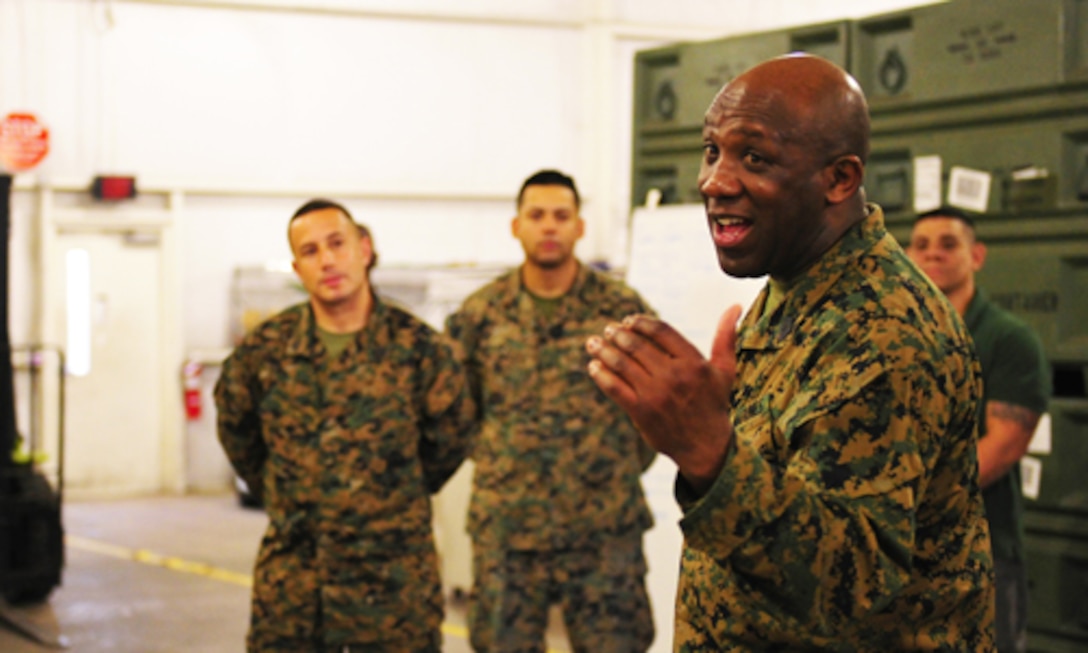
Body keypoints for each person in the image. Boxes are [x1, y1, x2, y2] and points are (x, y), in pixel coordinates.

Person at [585, 54, 996, 650]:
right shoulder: (797, 288)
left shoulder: (881, 330)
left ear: (839, 179)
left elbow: (851, 582)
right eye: (711, 151)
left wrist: (709, 452)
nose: (714, 181)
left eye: (754, 157)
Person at [214, 199, 475, 652]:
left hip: (393, 590)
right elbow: (238, 432)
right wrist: (283, 491)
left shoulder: (420, 351)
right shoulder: (265, 353)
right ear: (298, 267)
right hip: (296, 588)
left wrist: (389, 497)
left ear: (365, 248)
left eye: (337, 244)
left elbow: (448, 441)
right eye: (311, 251)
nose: (327, 260)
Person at [444, 169, 657, 652]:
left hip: (604, 527)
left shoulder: (622, 310)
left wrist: (612, 468)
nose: (549, 227)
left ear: (579, 227)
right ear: (516, 225)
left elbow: (655, 409)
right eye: (536, 215)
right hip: (508, 530)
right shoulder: (481, 314)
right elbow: (458, 416)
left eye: (561, 216)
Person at [908, 205, 1050, 653]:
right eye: (922, 245)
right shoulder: (898, 337)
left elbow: (1004, 446)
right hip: (899, 558)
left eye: (949, 244)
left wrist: (909, 500)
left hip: (981, 557)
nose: (934, 255)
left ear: (977, 255)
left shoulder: (1009, 340)